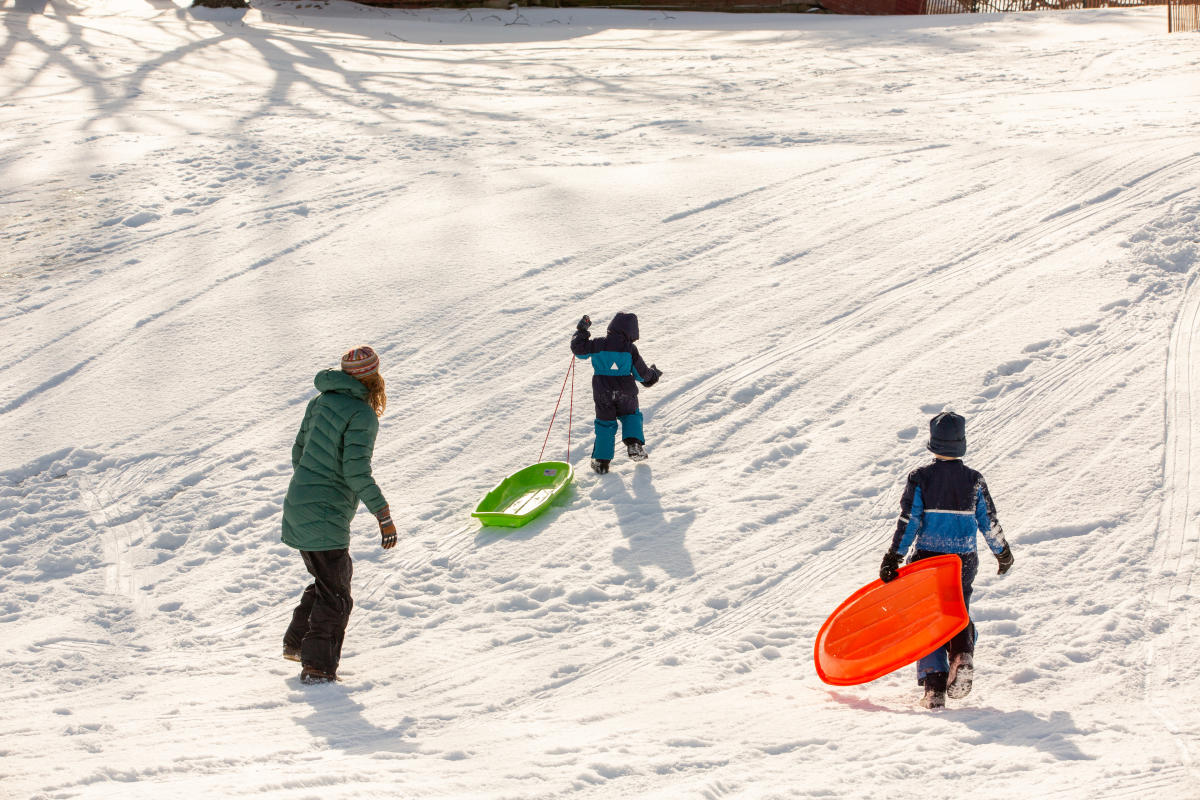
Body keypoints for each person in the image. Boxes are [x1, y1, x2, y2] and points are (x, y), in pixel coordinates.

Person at [879, 411, 1014, 709]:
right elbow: (988, 521)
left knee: (926, 617)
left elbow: (909, 520)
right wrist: (1002, 552)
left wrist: (894, 556)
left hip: (928, 561)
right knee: (958, 610)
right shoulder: (974, 480)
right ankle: (962, 653)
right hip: (962, 561)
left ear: (932, 443)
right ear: (962, 444)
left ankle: (934, 686)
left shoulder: (920, 478)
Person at [281, 346, 397, 685]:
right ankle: (317, 668)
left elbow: (298, 451)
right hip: (324, 511)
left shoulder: (319, 402)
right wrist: (383, 513)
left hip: (300, 501)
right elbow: (356, 470)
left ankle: (296, 644)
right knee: (336, 594)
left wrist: (311, 486)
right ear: (374, 377)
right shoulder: (361, 415)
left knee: (329, 579)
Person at [570, 312, 663, 474]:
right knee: (631, 416)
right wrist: (653, 375)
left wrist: (581, 331)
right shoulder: (629, 349)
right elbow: (642, 374)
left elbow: (579, 350)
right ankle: (634, 444)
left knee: (605, 423)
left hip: (603, 393)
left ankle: (601, 461)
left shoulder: (599, 344)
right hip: (626, 392)